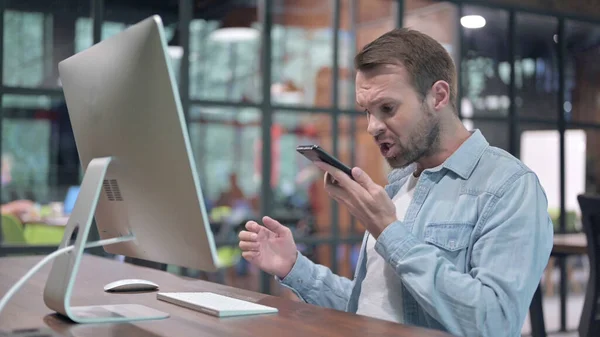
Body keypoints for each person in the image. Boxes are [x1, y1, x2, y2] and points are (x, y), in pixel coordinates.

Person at [238, 28, 553, 337]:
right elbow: (369, 309)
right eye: (367, 112)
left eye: (387, 108)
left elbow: (493, 322)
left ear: (438, 96)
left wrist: (389, 230)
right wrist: (293, 266)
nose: (373, 127)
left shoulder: (509, 187)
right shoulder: (399, 185)